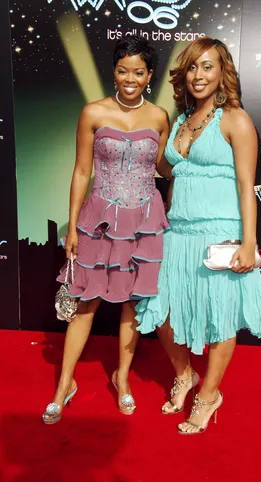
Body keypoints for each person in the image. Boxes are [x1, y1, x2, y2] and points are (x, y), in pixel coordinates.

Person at [136, 37, 261, 434]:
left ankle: (209, 395)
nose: (199, 75)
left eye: (208, 66)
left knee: (220, 318)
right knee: (161, 312)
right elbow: (169, 170)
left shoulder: (236, 120)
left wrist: (248, 243)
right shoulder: (180, 120)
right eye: (193, 67)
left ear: (222, 71)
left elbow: (247, 187)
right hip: (178, 232)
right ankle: (185, 375)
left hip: (220, 233)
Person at [42, 35, 171, 424]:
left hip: (145, 222)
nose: (129, 78)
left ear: (149, 75)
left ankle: (123, 379)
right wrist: (74, 227)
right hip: (100, 221)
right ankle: (64, 384)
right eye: (122, 70)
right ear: (113, 72)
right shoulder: (93, 112)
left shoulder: (160, 117)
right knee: (86, 304)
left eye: (138, 72)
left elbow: (164, 168)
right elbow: (82, 170)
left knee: (133, 306)